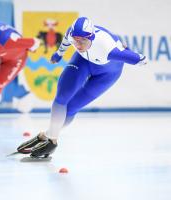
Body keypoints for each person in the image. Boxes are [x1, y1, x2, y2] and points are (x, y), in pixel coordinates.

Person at [17, 17, 147, 158]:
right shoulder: (71, 34)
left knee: (72, 107)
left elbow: (142, 59)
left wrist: (130, 54)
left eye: (82, 41)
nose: (78, 45)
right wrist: (58, 55)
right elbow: (66, 43)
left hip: (108, 73)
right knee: (62, 97)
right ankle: (52, 140)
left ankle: (47, 135)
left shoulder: (108, 49)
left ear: (91, 37)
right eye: (75, 40)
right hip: (83, 61)